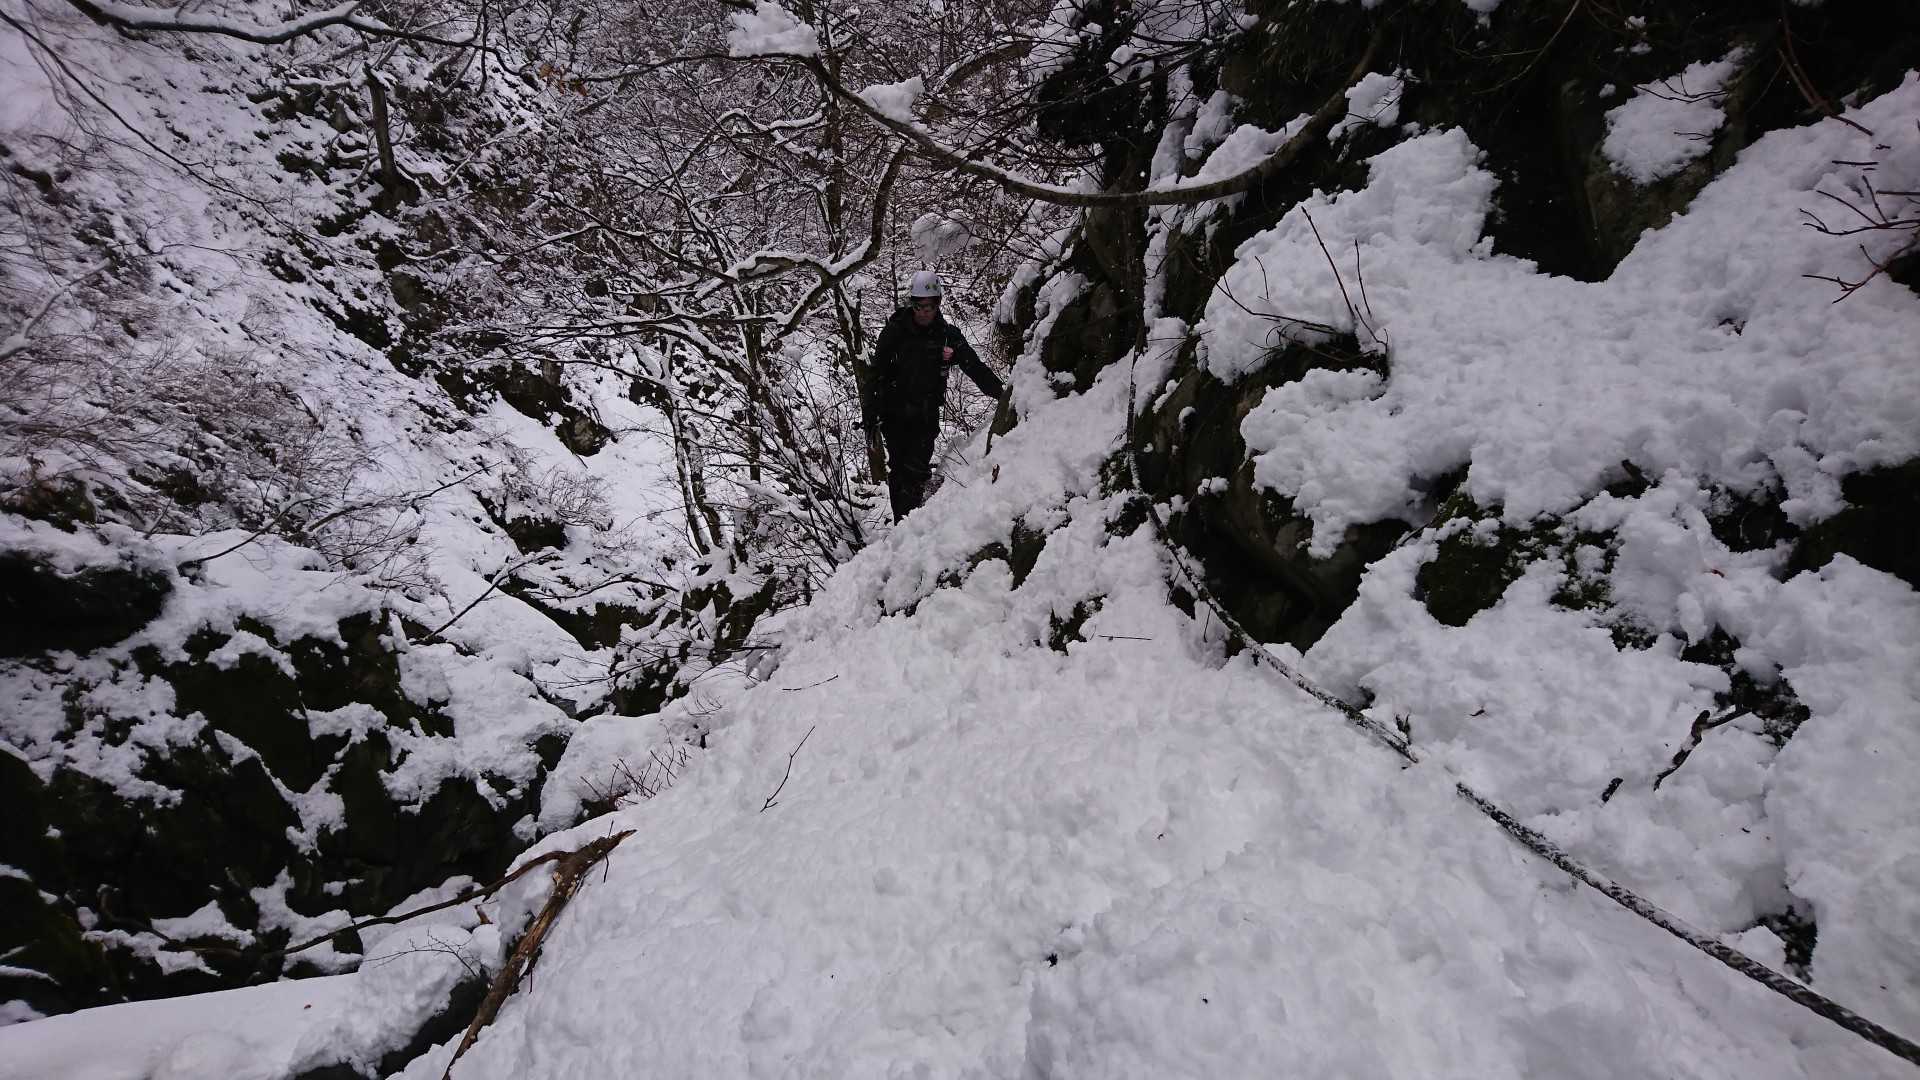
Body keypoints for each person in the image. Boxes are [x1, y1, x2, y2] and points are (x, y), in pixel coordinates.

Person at [868, 270, 1004, 521]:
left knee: (915, 472)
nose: (923, 312)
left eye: (928, 307)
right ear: (912, 304)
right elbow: (875, 374)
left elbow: (974, 366)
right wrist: (871, 416)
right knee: (898, 471)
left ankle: (911, 524)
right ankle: (903, 527)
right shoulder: (894, 332)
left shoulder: (947, 335)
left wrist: (1003, 394)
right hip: (894, 414)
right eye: (918, 306)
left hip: (925, 415)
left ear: (937, 305)